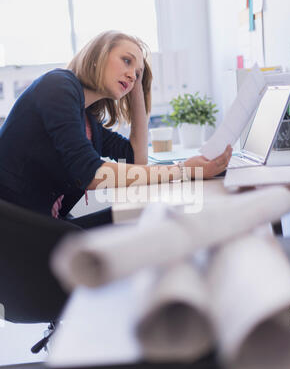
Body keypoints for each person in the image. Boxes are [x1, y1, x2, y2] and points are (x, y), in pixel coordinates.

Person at [0, 30, 232, 229]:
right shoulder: (58, 86)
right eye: (126, 61)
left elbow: (136, 159)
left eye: (137, 73)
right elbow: (91, 174)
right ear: (97, 56)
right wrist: (182, 170)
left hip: (45, 224)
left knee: (146, 213)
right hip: (22, 233)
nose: (132, 75)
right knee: (144, 219)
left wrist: (138, 91)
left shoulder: (87, 119)